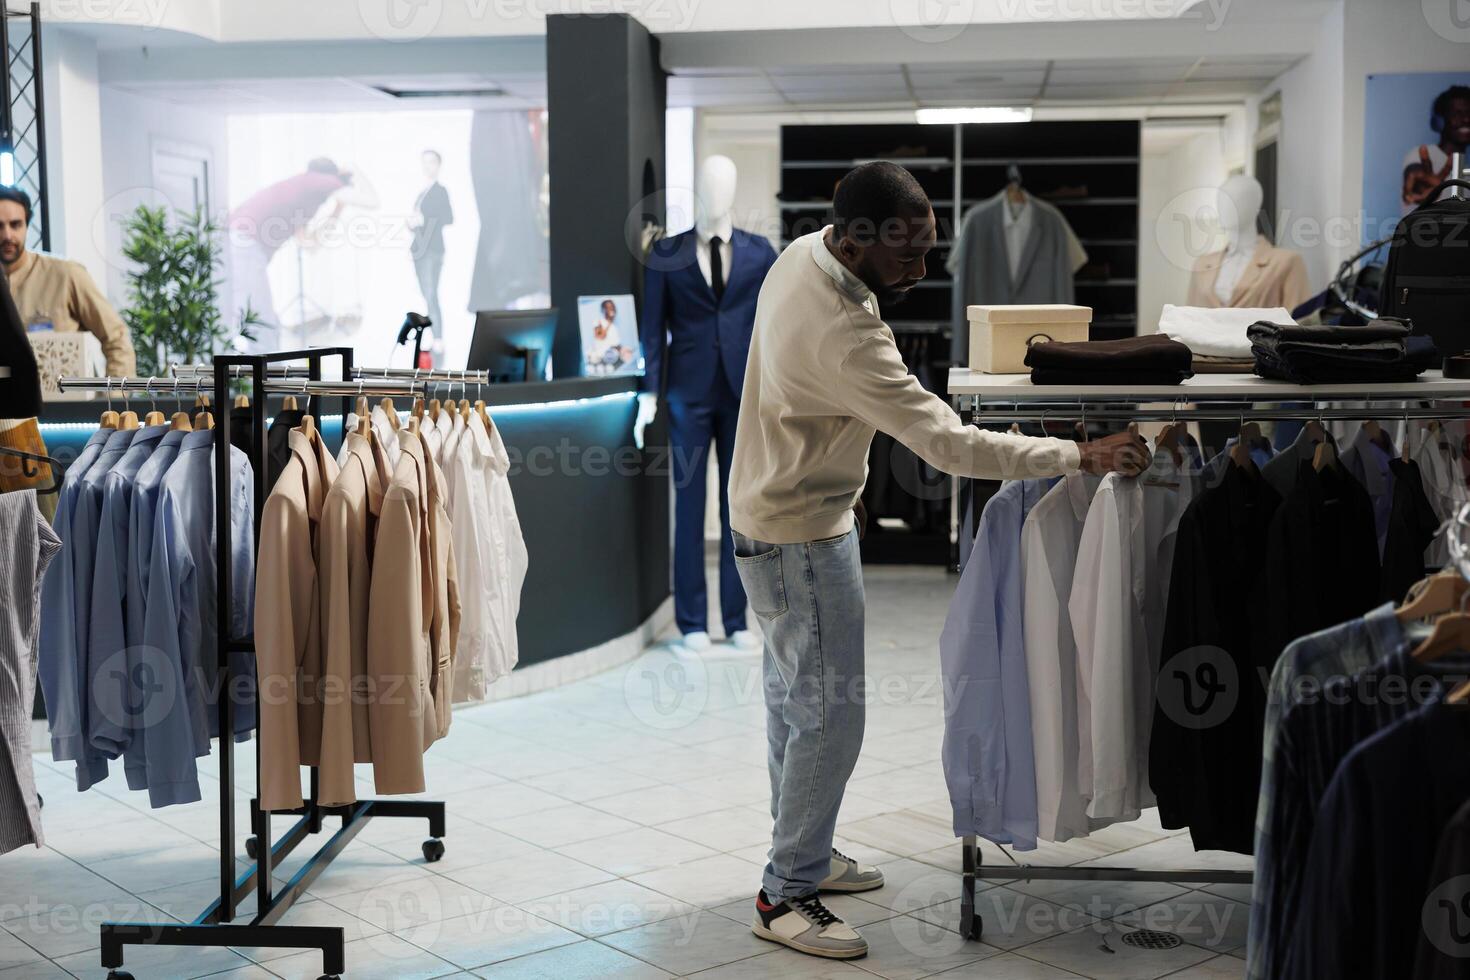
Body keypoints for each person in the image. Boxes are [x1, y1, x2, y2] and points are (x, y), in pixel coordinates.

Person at [728, 161, 1147, 960]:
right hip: (799, 535)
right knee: (829, 717)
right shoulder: (849, 331)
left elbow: (796, 393)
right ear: (854, 242)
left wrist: (825, 465)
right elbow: (948, 444)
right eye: (907, 256)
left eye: (928, 249)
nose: (923, 271)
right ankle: (784, 893)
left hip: (776, 512)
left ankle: (804, 854)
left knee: (793, 703)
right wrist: (1078, 455)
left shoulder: (801, 254)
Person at [226, 158, 379, 350]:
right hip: (244, 243)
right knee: (261, 321)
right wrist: (354, 168)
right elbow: (373, 201)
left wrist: (337, 210)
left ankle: (260, 373)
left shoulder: (303, 192)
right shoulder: (321, 181)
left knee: (249, 315)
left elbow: (309, 244)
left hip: (236, 241)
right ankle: (267, 377)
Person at [0, 186, 135, 377]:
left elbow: (117, 339)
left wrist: (113, 400)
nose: (7, 235)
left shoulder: (66, 274)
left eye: (15, 225)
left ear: (26, 226)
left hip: (69, 404)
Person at [1402, 84, 1470, 212]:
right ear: (1439, 122)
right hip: (1423, 232)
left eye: (1469, 113)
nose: (1466, 119)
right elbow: (1415, 172)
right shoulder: (1420, 155)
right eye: (1457, 113)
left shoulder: (1466, 169)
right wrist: (1419, 187)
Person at [409, 149, 453, 334]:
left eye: (432, 162)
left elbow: (448, 218)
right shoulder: (423, 192)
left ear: (439, 165)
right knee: (426, 294)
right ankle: (432, 335)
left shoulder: (440, 191)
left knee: (431, 294)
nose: (428, 166)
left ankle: (437, 338)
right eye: (425, 161)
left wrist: (424, 219)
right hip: (419, 249)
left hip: (433, 250)